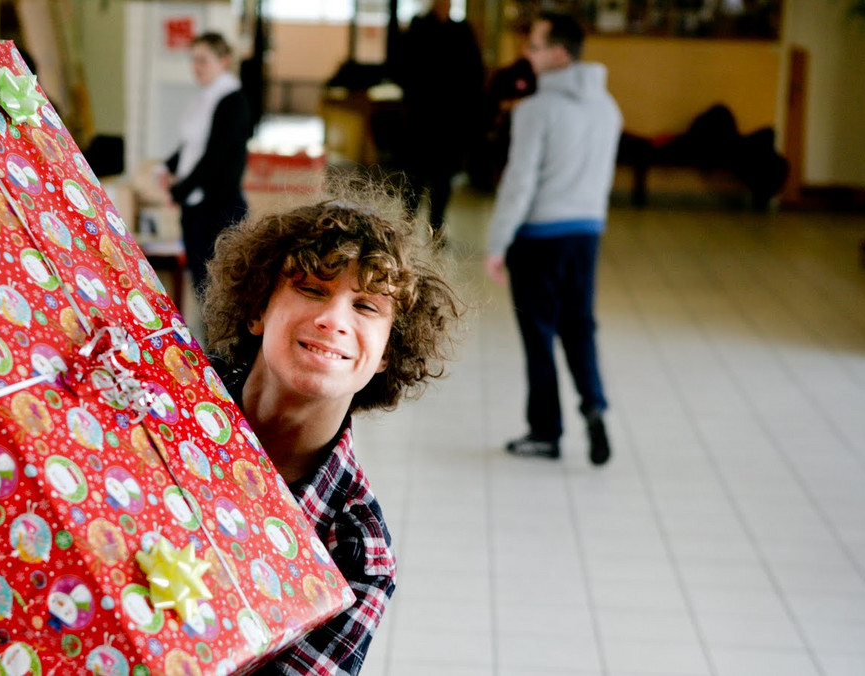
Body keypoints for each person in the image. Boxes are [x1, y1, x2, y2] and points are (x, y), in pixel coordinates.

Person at [203, 179, 462, 674]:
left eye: (366, 306)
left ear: (387, 351)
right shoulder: (162, 395)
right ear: (258, 308)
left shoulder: (358, 554)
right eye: (310, 289)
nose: (333, 319)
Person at [483, 13, 620, 466]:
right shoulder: (608, 108)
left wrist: (498, 243)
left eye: (536, 46)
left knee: (539, 334)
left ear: (560, 54)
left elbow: (519, 183)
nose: (527, 53)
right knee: (580, 327)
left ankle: (546, 432)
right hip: (587, 234)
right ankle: (594, 407)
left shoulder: (535, 111)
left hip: (539, 238)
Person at [163, 32, 252, 295]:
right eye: (193, 60)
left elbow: (215, 156)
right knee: (201, 286)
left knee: (216, 290)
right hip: (197, 205)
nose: (196, 67)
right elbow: (191, 146)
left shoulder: (232, 101)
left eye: (203, 60)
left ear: (223, 61)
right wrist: (165, 167)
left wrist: (179, 191)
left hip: (218, 206)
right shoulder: (204, 97)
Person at [394, 0, 484, 241]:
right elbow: (405, 67)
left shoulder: (461, 30)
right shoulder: (419, 27)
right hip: (422, 116)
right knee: (416, 174)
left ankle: (436, 224)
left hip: (451, 119)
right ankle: (407, 222)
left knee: (443, 177)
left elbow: (474, 73)